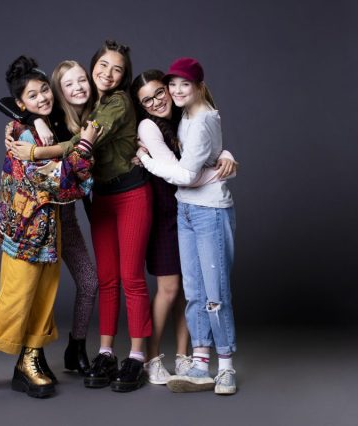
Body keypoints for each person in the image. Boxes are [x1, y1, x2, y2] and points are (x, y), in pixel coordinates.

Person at [0, 55, 100, 399]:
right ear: (21, 103)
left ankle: (29, 362)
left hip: (52, 229)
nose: (43, 97)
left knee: (44, 296)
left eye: (45, 90)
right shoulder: (22, 133)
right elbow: (60, 183)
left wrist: (39, 118)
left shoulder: (51, 120)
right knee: (15, 297)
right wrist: (82, 150)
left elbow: (65, 171)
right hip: (25, 231)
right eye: (33, 96)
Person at [10, 40, 152, 393]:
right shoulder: (62, 109)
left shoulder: (111, 104)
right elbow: (16, 101)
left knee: (123, 279)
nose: (107, 74)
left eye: (117, 69)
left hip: (121, 195)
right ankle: (98, 352)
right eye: (102, 66)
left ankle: (132, 356)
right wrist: (31, 118)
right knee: (102, 279)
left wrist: (37, 150)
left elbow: (86, 142)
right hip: (78, 206)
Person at [135, 58, 239, 395]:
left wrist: (145, 159)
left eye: (184, 85)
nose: (176, 92)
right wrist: (222, 159)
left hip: (209, 210)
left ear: (198, 86)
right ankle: (199, 362)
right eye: (173, 85)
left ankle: (225, 368)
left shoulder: (201, 117)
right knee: (193, 292)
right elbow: (198, 163)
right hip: (184, 210)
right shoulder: (182, 117)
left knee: (215, 295)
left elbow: (186, 175)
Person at [0, 60, 99, 375]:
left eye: (46, 90)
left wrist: (40, 140)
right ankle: (32, 355)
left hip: (68, 219)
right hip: (43, 221)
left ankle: (76, 347)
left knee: (89, 282)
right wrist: (32, 119)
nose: (77, 89)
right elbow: (8, 102)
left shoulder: (92, 110)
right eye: (68, 84)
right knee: (38, 291)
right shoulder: (43, 119)